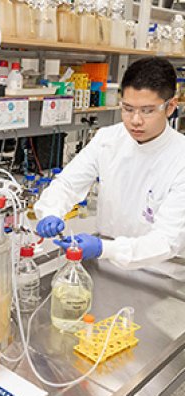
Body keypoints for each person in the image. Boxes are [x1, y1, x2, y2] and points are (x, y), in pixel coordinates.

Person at [34, 57, 185, 280]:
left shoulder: (180, 158)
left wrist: (103, 248)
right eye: (127, 108)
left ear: (170, 107)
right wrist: (51, 211)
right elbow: (67, 184)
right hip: (105, 268)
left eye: (147, 111)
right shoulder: (107, 139)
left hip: (161, 276)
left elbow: (166, 241)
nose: (135, 120)